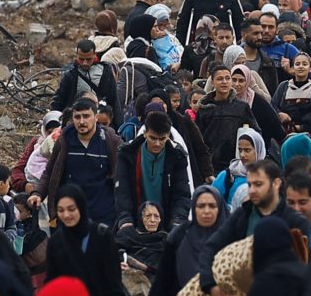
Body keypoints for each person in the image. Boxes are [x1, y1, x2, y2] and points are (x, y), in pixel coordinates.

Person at [197, 161, 290, 296]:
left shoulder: (292, 220)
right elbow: (211, 247)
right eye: (250, 185)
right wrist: (211, 286)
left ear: (276, 183)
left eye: (258, 184)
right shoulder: (243, 215)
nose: (252, 190)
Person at [47, 185, 131, 296]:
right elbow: (52, 281)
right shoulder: (56, 242)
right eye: (61, 210)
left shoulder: (102, 235)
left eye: (71, 209)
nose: (66, 215)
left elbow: (113, 279)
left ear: (81, 207)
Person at [41, 96, 123, 229]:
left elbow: (122, 179)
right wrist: (37, 194)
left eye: (86, 116)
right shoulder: (64, 141)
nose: (82, 121)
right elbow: (50, 173)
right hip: (69, 216)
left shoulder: (111, 142)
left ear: (96, 117)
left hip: (103, 217)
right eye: (77, 117)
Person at [113, 110, 192, 232]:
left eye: (162, 139)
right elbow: (122, 191)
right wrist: (125, 219)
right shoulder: (127, 154)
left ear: (168, 136)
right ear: (144, 133)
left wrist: (178, 221)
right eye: (153, 138)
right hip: (134, 223)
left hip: (167, 224)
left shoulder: (177, 156)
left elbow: (182, 193)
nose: (157, 143)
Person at [194, 65, 260, 168]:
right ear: (212, 82)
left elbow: (255, 134)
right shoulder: (204, 109)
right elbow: (197, 140)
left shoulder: (241, 107)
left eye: (228, 78)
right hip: (210, 165)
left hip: (236, 164)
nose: (224, 82)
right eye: (220, 79)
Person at [51, 39, 123, 123]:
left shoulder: (105, 72)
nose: (85, 63)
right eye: (81, 59)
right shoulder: (70, 75)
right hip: (77, 119)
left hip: (100, 119)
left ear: (94, 55)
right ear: (76, 56)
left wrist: (119, 125)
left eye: (88, 59)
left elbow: (113, 100)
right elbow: (59, 101)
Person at [212, 127, 265, 212]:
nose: (242, 155)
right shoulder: (229, 175)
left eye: (247, 150)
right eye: (240, 150)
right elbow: (212, 200)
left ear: (258, 150)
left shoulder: (268, 175)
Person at [273, 53, 311, 133]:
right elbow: (273, 106)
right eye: (297, 64)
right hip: (284, 131)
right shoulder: (283, 86)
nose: (301, 66)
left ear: (310, 68)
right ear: (293, 67)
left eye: (304, 64)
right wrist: (280, 114)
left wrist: (301, 127)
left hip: (307, 133)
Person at [15, 110, 62, 195]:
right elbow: (18, 169)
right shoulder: (37, 143)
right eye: (49, 132)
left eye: (55, 131)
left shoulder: (66, 143)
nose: (52, 135)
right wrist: (24, 185)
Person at [115, 202, 168, 275]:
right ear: (141, 218)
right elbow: (113, 254)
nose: (152, 220)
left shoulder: (165, 240)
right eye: (148, 216)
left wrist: (139, 265)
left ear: (161, 219)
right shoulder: (127, 235)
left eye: (156, 216)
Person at [148, 4, 184, 73]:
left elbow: (180, 51)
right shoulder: (147, 43)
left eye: (164, 25)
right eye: (159, 25)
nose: (162, 29)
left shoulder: (170, 37)